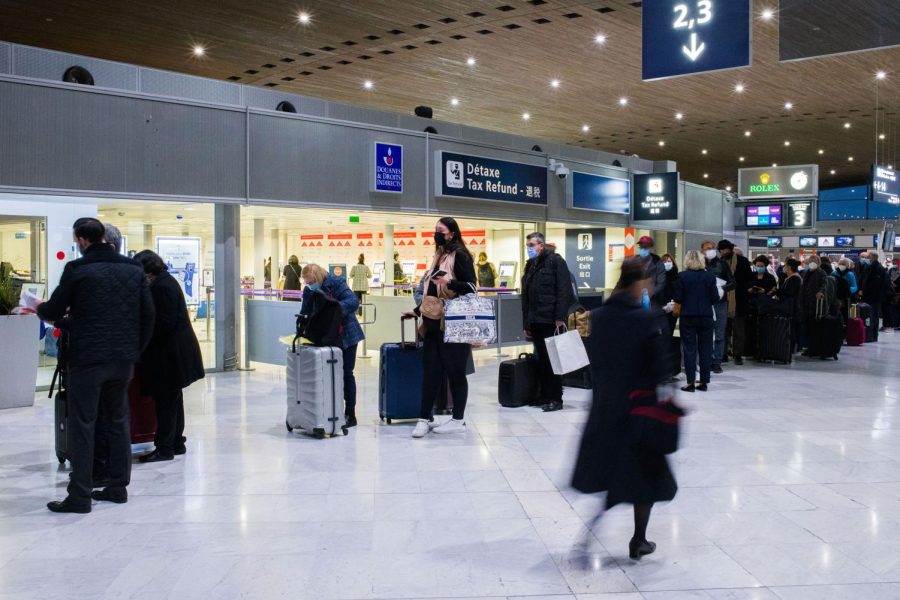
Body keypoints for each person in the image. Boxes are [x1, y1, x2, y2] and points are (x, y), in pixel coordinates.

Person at [36, 218, 155, 512]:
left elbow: (52, 309)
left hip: (89, 360)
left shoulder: (78, 269)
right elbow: (148, 315)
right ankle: (117, 487)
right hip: (123, 361)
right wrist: (134, 350)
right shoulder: (133, 269)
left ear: (81, 240)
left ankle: (79, 495)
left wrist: (36, 307)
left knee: (83, 424)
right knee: (118, 421)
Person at [571, 257, 677, 561]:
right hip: (638, 412)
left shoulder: (597, 317)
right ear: (641, 282)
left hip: (605, 407)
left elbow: (591, 358)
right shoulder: (646, 320)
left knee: (610, 472)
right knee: (645, 480)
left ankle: (594, 529)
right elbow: (660, 370)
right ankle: (638, 539)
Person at [402, 217, 476, 437]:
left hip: (453, 325)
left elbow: (472, 287)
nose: (437, 234)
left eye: (440, 231)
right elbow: (430, 293)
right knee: (431, 373)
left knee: (455, 373)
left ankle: (458, 418)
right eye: (435, 230)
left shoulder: (460, 255)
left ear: (452, 233)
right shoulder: (438, 256)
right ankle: (424, 418)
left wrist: (449, 283)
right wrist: (416, 312)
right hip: (433, 325)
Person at [132, 250, 205, 461]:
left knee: (165, 401)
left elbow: (163, 323)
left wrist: (142, 334)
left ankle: (164, 447)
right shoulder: (166, 281)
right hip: (175, 352)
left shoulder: (162, 286)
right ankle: (175, 442)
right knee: (173, 399)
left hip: (169, 354)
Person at [300, 263, 365, 427]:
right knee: (326, 374)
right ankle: (330, 411)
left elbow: (353, 302)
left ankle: (350, 413)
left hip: (347, 336)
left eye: (310, 282)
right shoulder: (309, 290)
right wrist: (301, 328)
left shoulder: (336, 282)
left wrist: (332, 310)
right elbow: (305, 312)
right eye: (306, 283)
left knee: (346, 373)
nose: (309, 286)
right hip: (326, 336)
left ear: (317, 277)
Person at [521, 231, 575, 413]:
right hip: (535, 320)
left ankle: (555, 398)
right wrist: (526, 324)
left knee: (553, 360)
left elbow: (564, 291)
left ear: (541, 245)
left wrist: (560, 317)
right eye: (527, 245)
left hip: (551, 320)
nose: (529, 248)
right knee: (541, 360)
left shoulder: (556, 262)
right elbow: (526, 297)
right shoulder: (530, 265)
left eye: (531, 245)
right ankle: (544, 395)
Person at [673, 250, 718, 392]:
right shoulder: (710, 276)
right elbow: (715, 298)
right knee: (705, 349)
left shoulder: (682, 276)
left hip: (688, 316)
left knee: (689, 349)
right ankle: (704, 382)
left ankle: (690, 382)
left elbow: (678, 298)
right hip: (706, 316)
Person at [701, 240, 734, 374]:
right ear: (702, 250)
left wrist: (722, 288)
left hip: (720, 303)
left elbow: (733, 283)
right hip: (704, 303)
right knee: (705, 333)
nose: (711, 250)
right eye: (708, 248)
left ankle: (717, 361)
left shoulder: (722, 264)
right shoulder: (698, 264)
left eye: (713, 248)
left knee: (720, 333)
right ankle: (706, 359)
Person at [719, 240, 753, 365]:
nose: (723, 252)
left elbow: (749, 278)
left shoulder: (742, 262)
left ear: (730, 249)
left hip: (740, 300)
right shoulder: (720, 262)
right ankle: (722, 353)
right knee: (723, 329)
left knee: (739, 330)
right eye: (721, 250)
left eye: (725, 249)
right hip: (723, 299)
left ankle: (738, 354)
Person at [800, 254, 835, 357]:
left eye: (814, 261)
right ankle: (809, 347)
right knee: (807, 328)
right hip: (806, 304)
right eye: (810, 261)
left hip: (816, 306)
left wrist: (821, 292)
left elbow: (824, 285)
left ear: (819, 263)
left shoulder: (821, 273)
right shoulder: (806, 273)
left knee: (815, 328)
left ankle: (815, 349)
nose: (812, 263)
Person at [771, 257, 802, 354]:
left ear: (789, 267)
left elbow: (789, 293)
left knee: (791, 328)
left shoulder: (795, 279)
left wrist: (776, 291)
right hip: (789, 306)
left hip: (792, 307)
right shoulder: (789, 278)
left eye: (785, 265)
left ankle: (791, 348)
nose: (784, 267)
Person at [637, 236, 667, 307]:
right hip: (636, 300)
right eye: (641, 247)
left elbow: (661, 283)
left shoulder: (658, 263)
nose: (643, 249)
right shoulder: (634, 261)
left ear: (651, 248)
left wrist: (650, 293)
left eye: (645, 247)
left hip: (653, 301)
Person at [833, 257, 858, 323]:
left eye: (843, 264)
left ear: (847, 265)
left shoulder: (850, 274)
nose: (842, 265)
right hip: (836, 298)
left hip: (847, 299)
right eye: (840, 263)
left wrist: (846, 290)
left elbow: (855, 287)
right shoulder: (834, 273)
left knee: (846, 316)